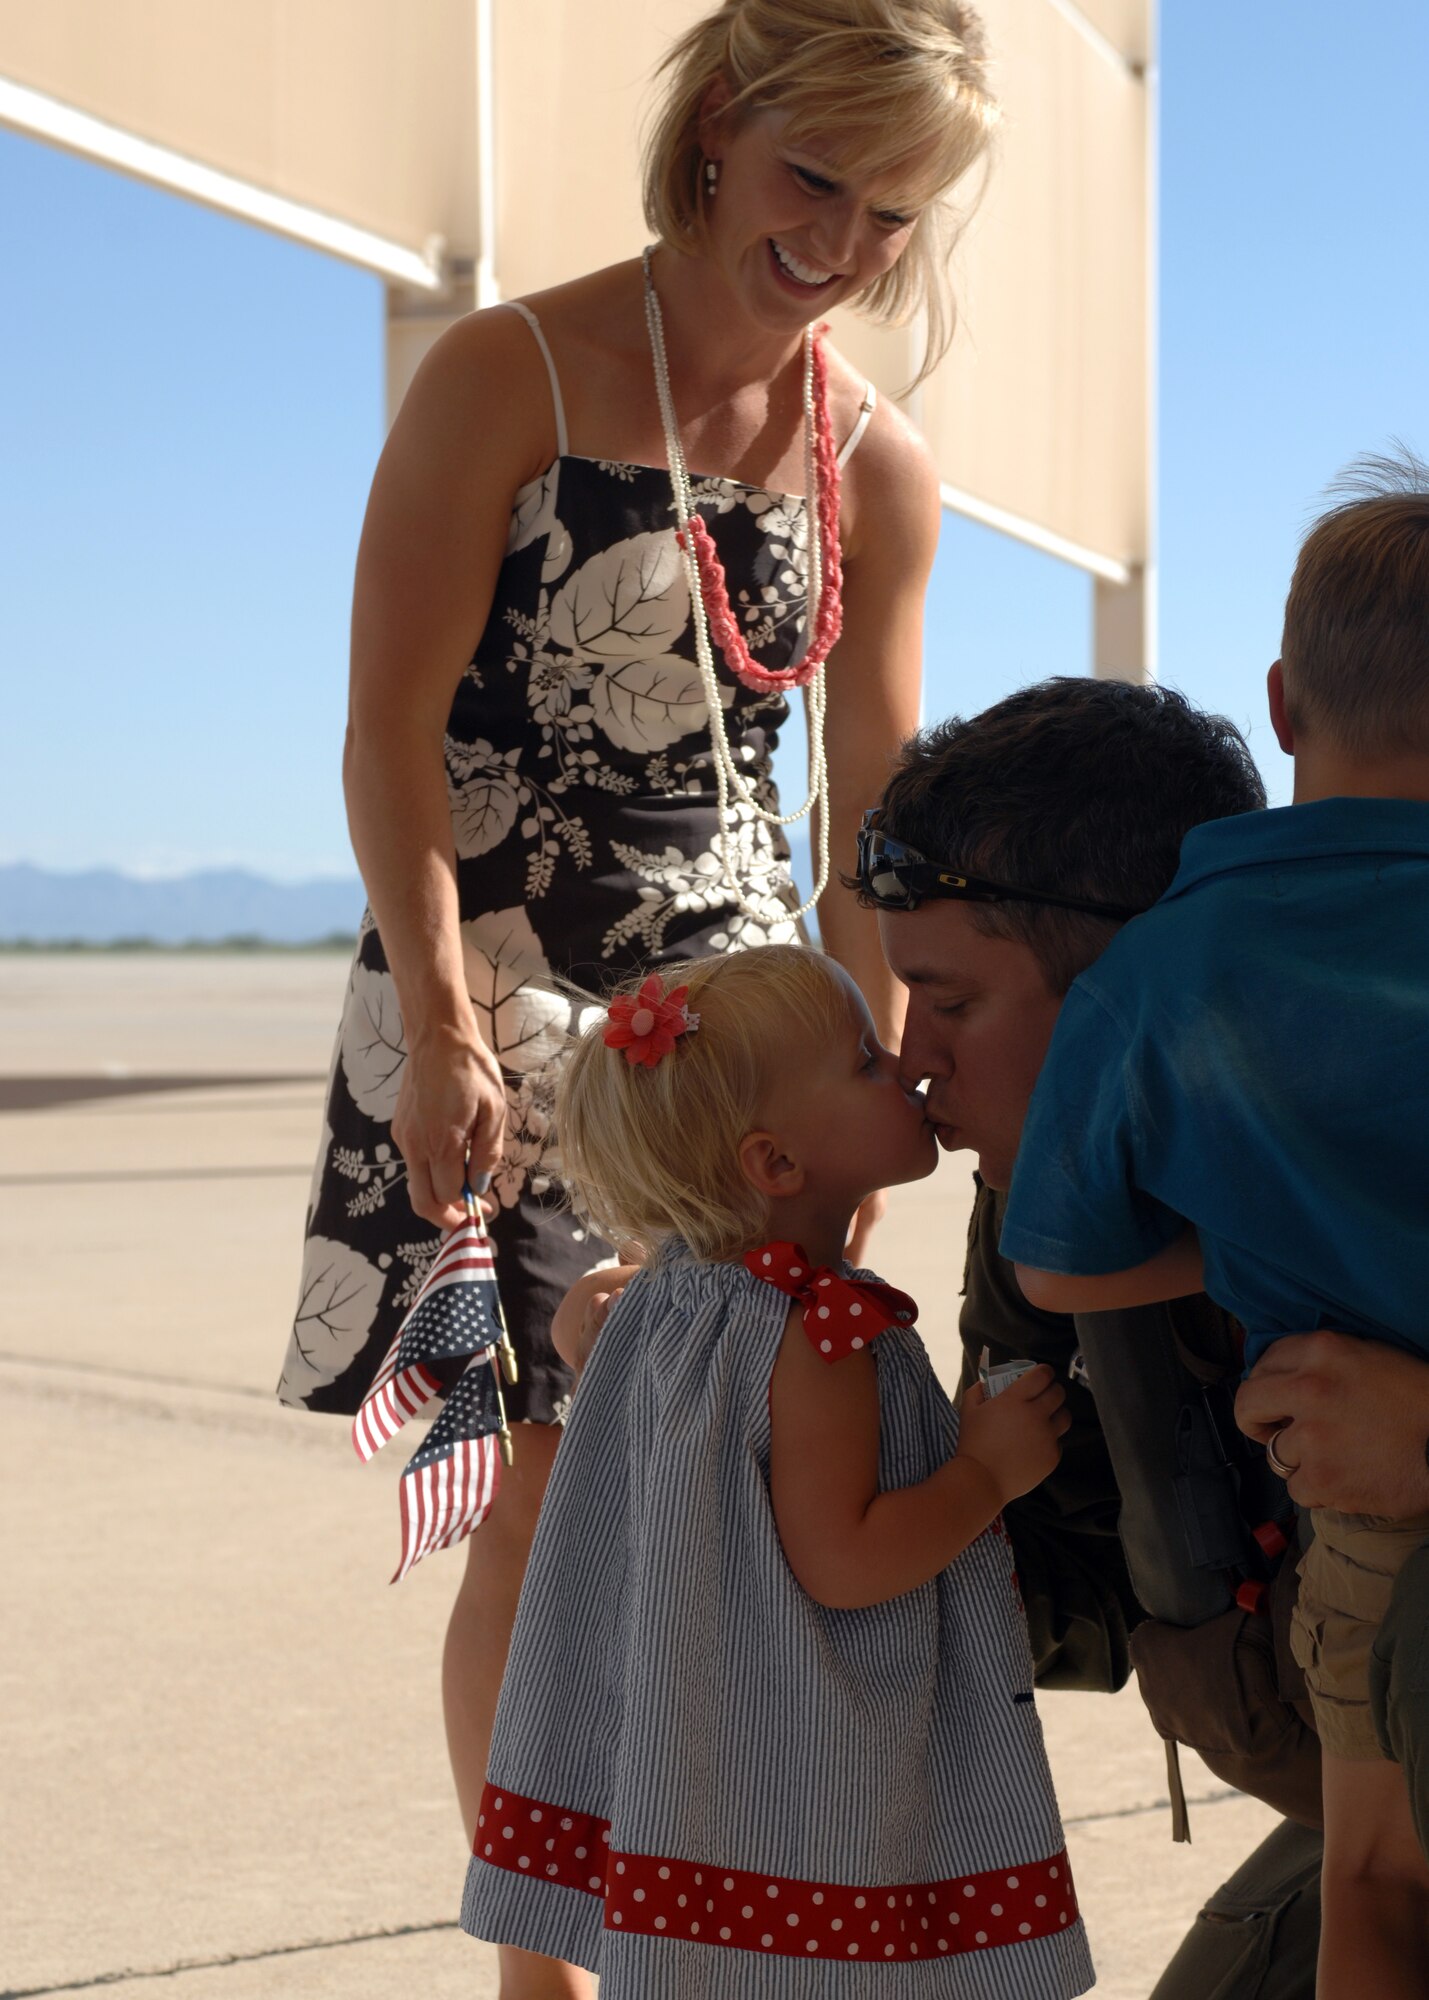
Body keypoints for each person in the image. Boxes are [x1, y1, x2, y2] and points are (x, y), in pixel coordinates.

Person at [273, 7, 998, 1989]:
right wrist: (434, 1014)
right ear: (718, 131)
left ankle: (683, 1918)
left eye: (889, 205)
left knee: (712, 1506)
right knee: (541, 1510)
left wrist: (875, 1077)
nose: (842, 237)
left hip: (735, 1033)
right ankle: (545, 1967)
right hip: (498, 1001)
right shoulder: (506, 369)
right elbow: (385, 730)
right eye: (812, 180)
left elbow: (862, 823)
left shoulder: (880, 461)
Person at [460, 943, 1092, 1998]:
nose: (899, 1063)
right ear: (776, 1164)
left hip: (715, 1754)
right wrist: (986, 1470)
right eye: (860, 1060)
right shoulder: (815, 1329)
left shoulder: (674, 1294)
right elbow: (845, 1560)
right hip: (812, 1759)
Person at [1000, 461, 1429, 1995]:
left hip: (1365, 1518)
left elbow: (1055, 1256)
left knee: (1375, 1879)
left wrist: (1238, 1239)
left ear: (1282, 707)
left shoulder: (1166, 969)